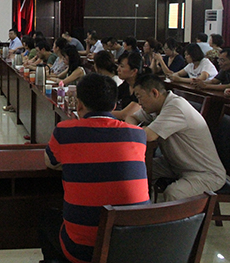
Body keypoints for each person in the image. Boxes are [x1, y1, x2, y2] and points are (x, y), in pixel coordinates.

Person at [41, 73, 149, 263]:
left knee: (47, 217)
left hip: (83, 251)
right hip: (132, 249)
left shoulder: (65, 131)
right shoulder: (138, 135)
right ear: (114, 105)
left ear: (79, 104)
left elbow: (50, 162)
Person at [128, 74, 226, 201]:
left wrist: (139, 130)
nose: (139, 103)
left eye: (140, 97)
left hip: (205, 173)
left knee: (174, 193)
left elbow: (148, 136)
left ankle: (169, 214)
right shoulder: (156, 107)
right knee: (134, 169)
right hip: (176, 165)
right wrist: (138, 129)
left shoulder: (175, 107)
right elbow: (131, 117)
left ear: (154, 93)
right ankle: (139, 207)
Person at [113, 52, 143, 121]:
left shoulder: (142, 88)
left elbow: (125, 114)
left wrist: (100, 112)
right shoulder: (126, 84)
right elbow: (112, 96)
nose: (118, 70)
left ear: (134, 71)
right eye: (118, 66)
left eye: (122, 66)